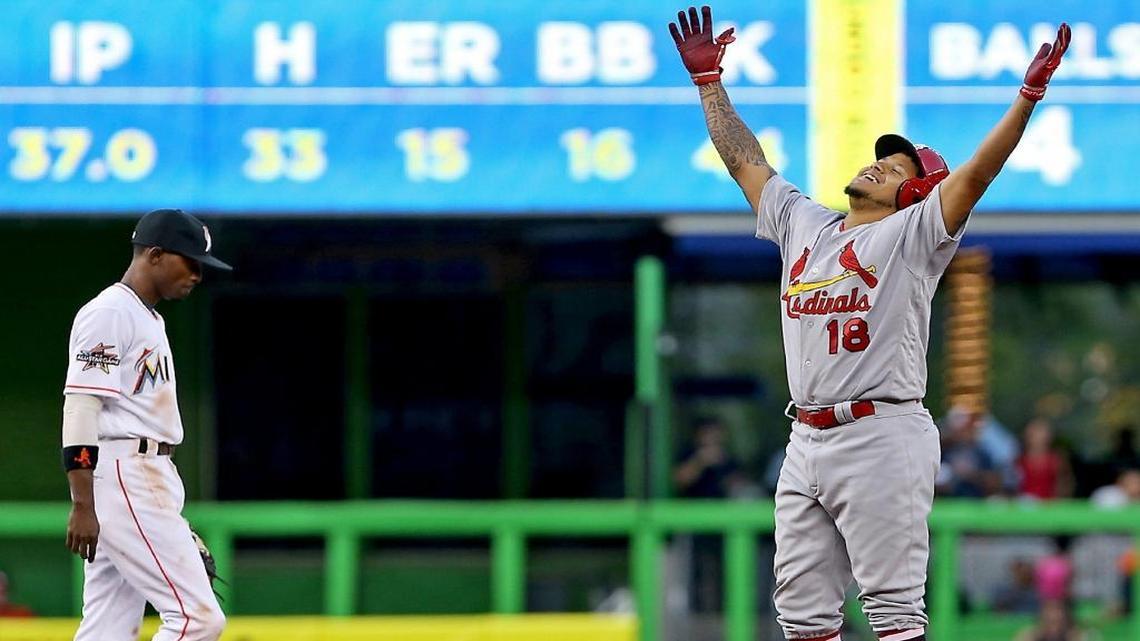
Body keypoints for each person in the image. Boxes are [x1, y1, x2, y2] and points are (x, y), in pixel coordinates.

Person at [667, 6, 1070, 641]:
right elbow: (746, 162)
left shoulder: (914, 236)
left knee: (893, 613)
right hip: (805, 438)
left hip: (881, 431)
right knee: (802, 619)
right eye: (883, 158)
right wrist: (709, 84)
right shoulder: (804, 222)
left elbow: (976, 176)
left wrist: (1027, 98)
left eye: (899, 168)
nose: (880, 164)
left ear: (915, 196)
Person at [62, 209, 231, 640]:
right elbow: (82, 407)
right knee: (198, 619)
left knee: (108, 628)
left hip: (139, 474)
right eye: (190, 262)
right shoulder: (110, 312)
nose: (197, 274)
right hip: (125, 471)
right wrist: (83, 504)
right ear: (155, 255)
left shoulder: (146, 316)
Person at [936, 408, 1003, 498]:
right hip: (948, 503)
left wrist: (971, 474)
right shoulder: (943, 451)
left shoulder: (981, 452)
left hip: (975, 503)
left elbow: (994, 482)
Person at [1016, 418, 1073, 500]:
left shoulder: (1056, 460)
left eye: (1040, 431)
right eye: (1033, 431)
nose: (1036, 436)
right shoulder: (1018, 460)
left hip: (1049, 507)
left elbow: (1066, 484)